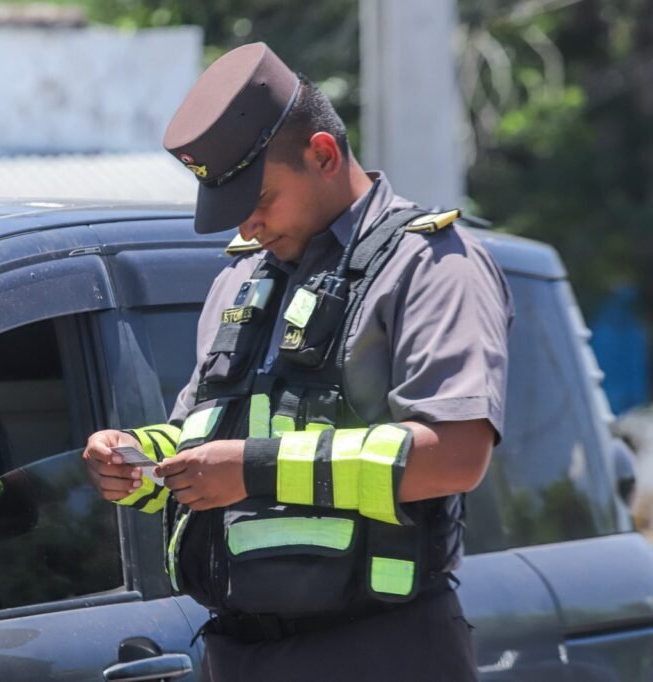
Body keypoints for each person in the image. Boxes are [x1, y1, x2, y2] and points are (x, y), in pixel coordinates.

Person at [83, 42, 513, 680]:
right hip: (238, 652)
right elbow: (209, 444)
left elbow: (455, 455)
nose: (249, 227)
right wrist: (135, 463)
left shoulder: (431, 263)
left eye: (259, 201)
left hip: (379, 650)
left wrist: (254, 471)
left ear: (324, 154)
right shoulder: (241, 279)